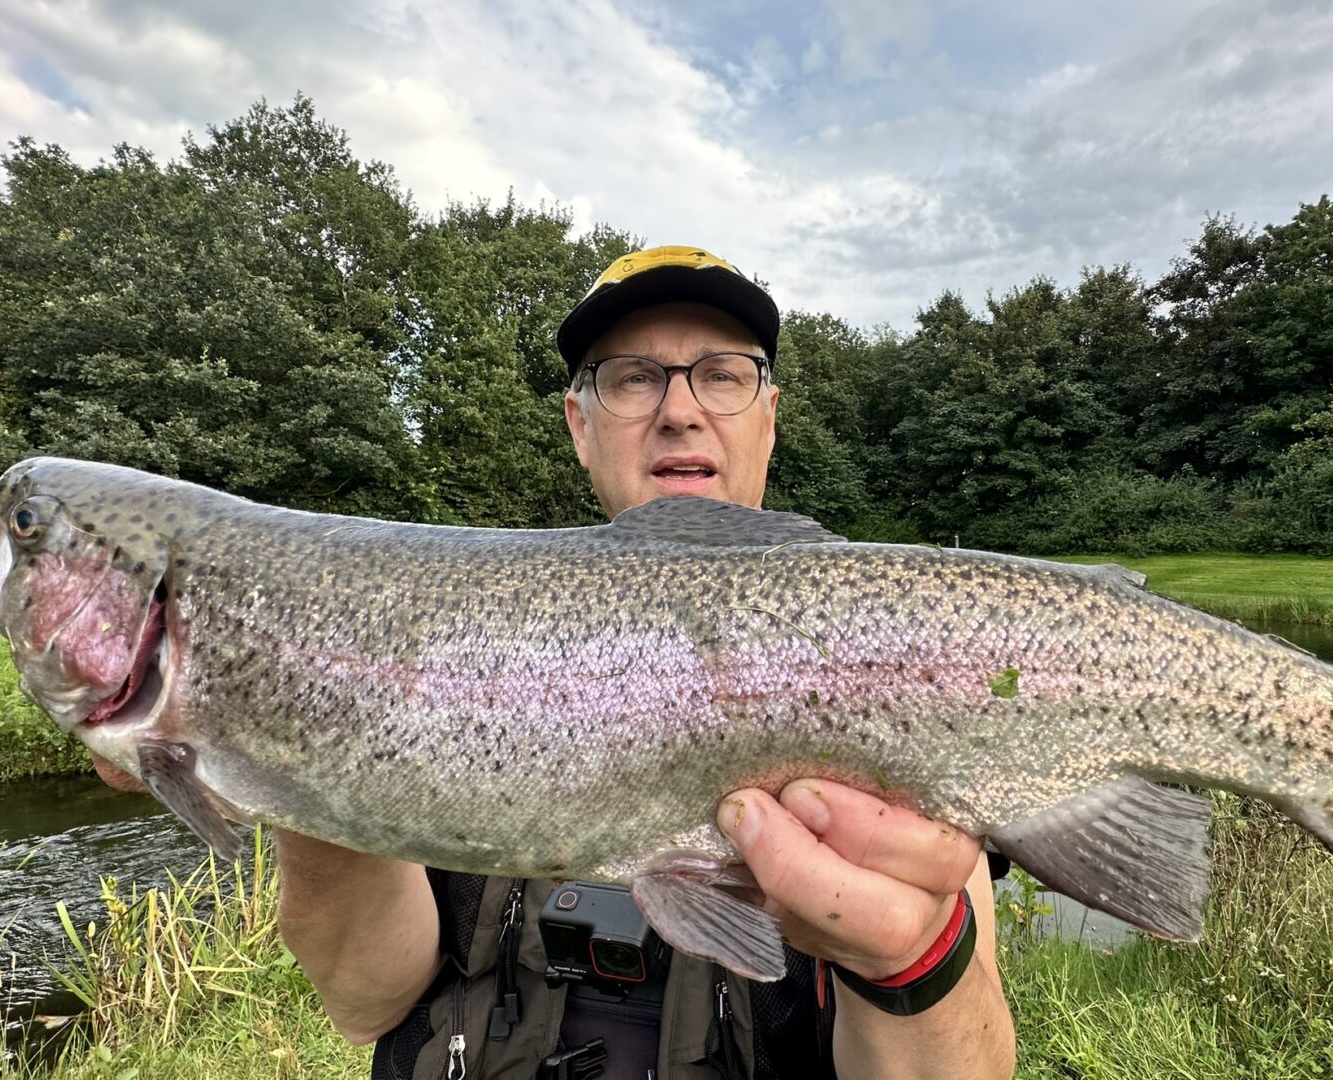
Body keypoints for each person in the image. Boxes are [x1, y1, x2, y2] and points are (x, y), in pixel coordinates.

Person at [100, 246, 1019, 1079]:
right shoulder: (447, 626)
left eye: (723, 375)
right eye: (631, 379)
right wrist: (306, 751)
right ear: (579, 425)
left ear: (769, 419)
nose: (679, 410)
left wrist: (911, 959)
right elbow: (369, 1003)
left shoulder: (891, 646)